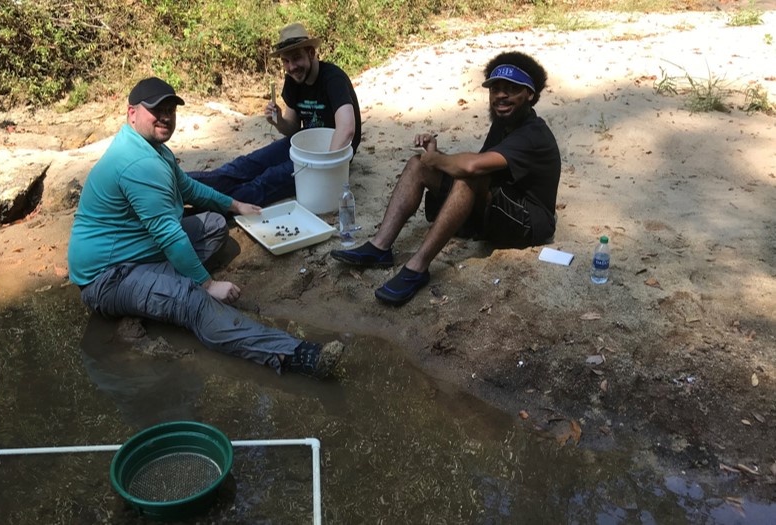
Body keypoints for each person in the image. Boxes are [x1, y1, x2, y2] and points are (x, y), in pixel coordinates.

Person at [68, 77, 343, 378]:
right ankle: (289, 353)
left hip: (136, 250)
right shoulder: (137, 164)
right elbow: (169, 234)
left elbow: (187, 188)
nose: (165, 116)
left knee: (213, 225)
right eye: (156, 109)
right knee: (192, 298)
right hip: (108, 276)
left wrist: (235, 205)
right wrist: (208, 285)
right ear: (131, 113)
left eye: (170, 109)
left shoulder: (152, 149)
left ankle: (163, 288)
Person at [330, 51, 561, 306]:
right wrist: (434, 156)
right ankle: (379, 247)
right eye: (495, 89)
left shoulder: (533, 134)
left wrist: (439, 161)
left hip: (529, 225)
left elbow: (474, 168)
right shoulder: (503, 124)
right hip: (496, 209)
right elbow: (477, 166)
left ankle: (417, 267)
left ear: (530, 94)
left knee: (469, 176)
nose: (500, 96)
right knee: (418, 165)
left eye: (511, 89)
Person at [186, 22, 362, 206]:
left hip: (330, 159)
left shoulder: (333, 78)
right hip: (303, 147)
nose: (292, 66)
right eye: (286, 61)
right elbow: (292, 128)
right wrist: (277, 120)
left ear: (311, 53)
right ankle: (175, 184)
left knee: (265, 181)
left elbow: (347, 128)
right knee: (243, 166)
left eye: (296, 58)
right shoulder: (293, 80)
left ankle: (203, 207)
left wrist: (323, 168)